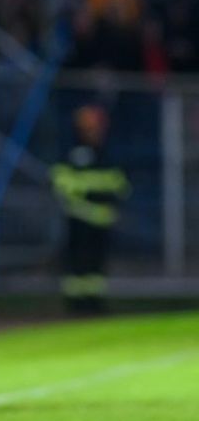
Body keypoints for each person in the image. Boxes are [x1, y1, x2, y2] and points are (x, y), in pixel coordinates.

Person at [50, 104, 130, 315]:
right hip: (79, 217)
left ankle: (95, 304)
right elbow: (63, 182)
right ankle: (75, 306)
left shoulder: (107, 151)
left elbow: (119, 184)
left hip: (102, 220)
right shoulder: (70, 150)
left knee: (97, 266)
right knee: (77, 264)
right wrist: (92, 193)